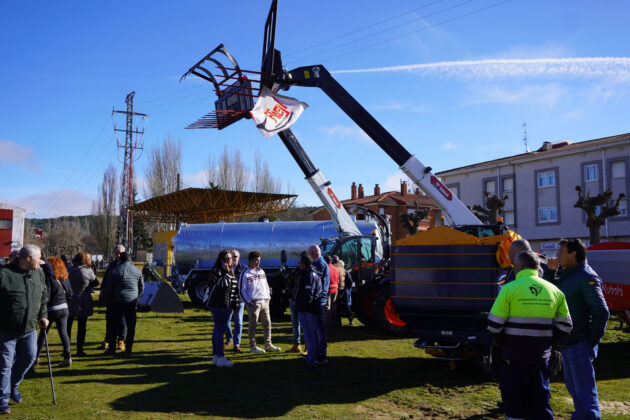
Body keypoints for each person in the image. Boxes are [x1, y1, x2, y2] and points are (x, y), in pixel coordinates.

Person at [488, 250, 573, 420]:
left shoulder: (508, 289)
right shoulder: (554, 291)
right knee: (540, 406)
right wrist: (547, 340)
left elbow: (494, 325)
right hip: (540, 359)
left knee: (515, 408)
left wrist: (502, 343)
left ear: (520, 267)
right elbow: (566, 326)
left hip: (513, 359)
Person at [545, 238, 610, 420]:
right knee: (575, 389)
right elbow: (554, 294)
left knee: (584, 392)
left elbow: (601, 311)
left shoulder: (586, 276)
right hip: (568, 342)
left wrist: (592, 340)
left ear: (573, 254)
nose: (557, 255)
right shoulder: (569, 274)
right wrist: (551, 273)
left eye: (561, 252)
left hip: (579, 343)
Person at [0, 245, 48, 414]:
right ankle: (2, 399)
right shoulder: (4, 274)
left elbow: (43, 296)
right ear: (28, 258)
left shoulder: (38, 273)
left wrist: (43, 314)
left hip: (29, 329)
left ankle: (12, 385)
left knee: (29, 357)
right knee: (4, 365)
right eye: (38, 258)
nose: (41, 261)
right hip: (6, 329)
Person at [240, 251, 281, 353]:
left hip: (264, 302)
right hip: (253, 304)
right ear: (250, 260)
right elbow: (242, 290)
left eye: (259, 260)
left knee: (267, 324)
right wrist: (248, 302)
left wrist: (268, 297)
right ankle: (253, 346)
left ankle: (268, 345)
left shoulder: (262, 272)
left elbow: (266, 286)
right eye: (256, 260)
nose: (258, 262)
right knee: (253, 325)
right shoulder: (245, 274)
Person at [36, 257, 73, 368]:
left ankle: (35, 357)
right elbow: (70, 294)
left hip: (52, 308)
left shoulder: (49, 278)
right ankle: (67, 358)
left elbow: (47, 296)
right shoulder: (65, 278)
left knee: (43, 335)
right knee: (63, 333)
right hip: (64, 307)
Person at [104, 252, 143, 355]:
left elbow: (109, 288)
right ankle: (128, 349)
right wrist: (136, 297)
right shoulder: (137, 271)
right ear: (130, 260)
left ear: (120, 259)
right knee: (131, 327)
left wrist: (110, 300)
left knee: (113, 326)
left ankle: (112, 349)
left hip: (117, 301)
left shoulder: (114, 270)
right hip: (132, 302)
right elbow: (141, 287)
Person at [206, 249, 237, 367]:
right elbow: (221, 284)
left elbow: (233, 289)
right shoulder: (218, 271)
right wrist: (227, 271)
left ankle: (216, 356)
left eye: (231, 259)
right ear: (221, 260)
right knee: (219, 331)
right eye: (228, 259)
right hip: (219, 305)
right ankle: (220, 357)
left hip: (225, 304)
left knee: (217, 331)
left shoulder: (227, 271)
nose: (230, 261)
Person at [67, 252, 99, 357]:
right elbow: (96, 282)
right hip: (83, 300)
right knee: (82, 326)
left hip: (69, 300)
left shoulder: (69, 270)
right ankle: (79, 349)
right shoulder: (88, 271)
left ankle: (66, 349)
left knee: (67, 326)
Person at [295, 253, 322, 368]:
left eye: (299, 262)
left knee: (309, 335)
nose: (298, 264)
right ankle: (313, 356)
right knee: (311, 335)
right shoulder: (311, 273)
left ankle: (312, 359)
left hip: (308, 310)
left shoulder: (309, 275)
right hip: (310, 309)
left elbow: (308, 294)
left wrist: (301, 306)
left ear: (304, 264)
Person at [100, 245, 127, 351]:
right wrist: (102, 289)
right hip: (111, 297)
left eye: (120, 253)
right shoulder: (112, 265)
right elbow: (106, 278)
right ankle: (108, 340)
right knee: (109, 320)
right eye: (116, 253)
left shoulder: (127, 264)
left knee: (121, 320)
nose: (118, 255)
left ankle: (121, 340)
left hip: (121, 297)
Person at [307, 244, 329, 364]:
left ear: (313, 254)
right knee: (317, 329)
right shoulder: (322, 264)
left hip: (318, 301)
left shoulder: (319, 265)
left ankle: (321, 355)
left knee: (319, 330)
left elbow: (318, 285)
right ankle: (317, 354)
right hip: (320, 300)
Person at [224, 249, 246, 352]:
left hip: (239, 299)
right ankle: (229, 339)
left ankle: (237, 344)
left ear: (239, 258)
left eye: (235, 256)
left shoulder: (244, 269)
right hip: (228, 299)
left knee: (238, 322)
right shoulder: (225, 268)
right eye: (231, 257)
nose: (233, 258)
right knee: (226, 320)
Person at [286, 265, 304, 354]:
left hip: (303, 302)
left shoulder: (309, 273)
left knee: (305, 325)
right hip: (294, 300)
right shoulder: (295, 272)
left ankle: (308, 347)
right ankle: (296, 344)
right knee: (295, 324)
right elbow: (289, 284)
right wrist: (290, 296)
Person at [332, 255, 346, 326]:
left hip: (336, 288)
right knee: (339, 305)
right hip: (342, 287)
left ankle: (335, 320)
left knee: (334, 305)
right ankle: (339, 320)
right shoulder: (342, 268)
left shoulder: (333, 268)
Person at [325, 255, 339, 328]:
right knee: (334, 306)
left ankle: (328, 323)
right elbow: (337, 279)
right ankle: (334, 322)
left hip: (328, 289)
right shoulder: (335, 268)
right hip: (335, 288)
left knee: (327, 307)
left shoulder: (326, 268)